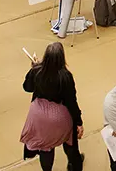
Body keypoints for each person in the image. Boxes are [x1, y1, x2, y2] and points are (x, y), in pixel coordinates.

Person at [21, 42, 85, 171]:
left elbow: (27, 88)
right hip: (60, 115)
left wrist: (32, 68)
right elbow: (71, 101)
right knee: (70, 142)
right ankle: (74, 165)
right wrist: (78, 122)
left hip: (39, 115)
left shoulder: (37, 71)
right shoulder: (65, 76)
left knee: (46, 148)